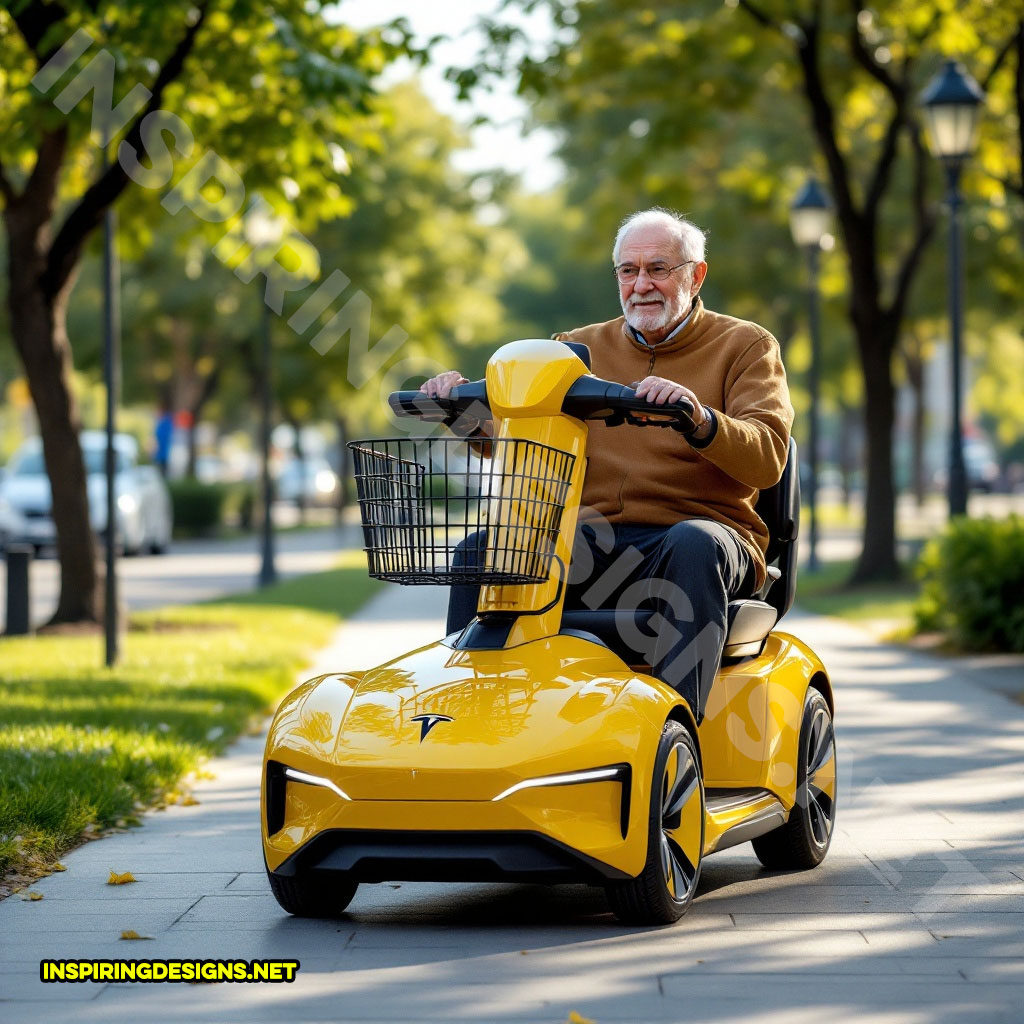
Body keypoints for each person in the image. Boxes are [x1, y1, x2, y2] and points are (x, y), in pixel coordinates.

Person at [420, 207, 793, 722]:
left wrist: (699, 417)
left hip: (695, 536)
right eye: (628, 270)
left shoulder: (746, 345)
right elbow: (517, 445)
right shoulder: (571, 349)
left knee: (694, 542)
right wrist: (457, 413)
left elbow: (768, 455)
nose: (642, 284)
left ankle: (674, 728)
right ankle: (468, 719)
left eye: (658, 269)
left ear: (695, 274)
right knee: (480, 550)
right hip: (586, 541)